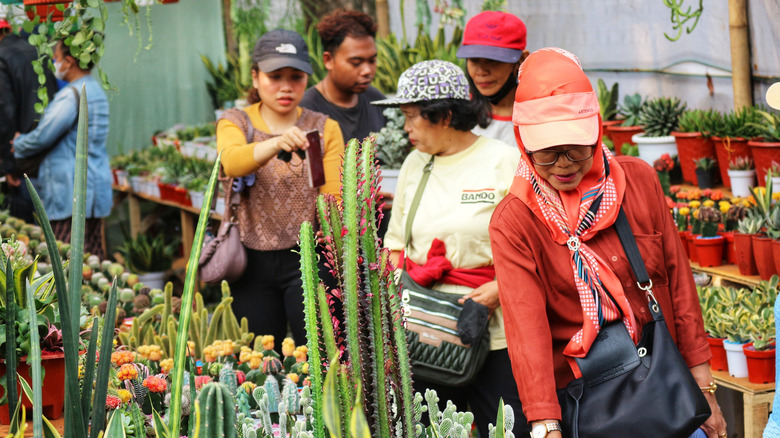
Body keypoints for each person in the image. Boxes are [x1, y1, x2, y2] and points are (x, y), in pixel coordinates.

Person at [488, 48, 728, 438]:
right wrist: (545, 426)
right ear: (522, 141)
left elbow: (679, 288)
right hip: (584, 399)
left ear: (596, 130)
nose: (563, 164)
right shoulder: (515, 220)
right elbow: (526, 332)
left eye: (576, 148)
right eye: (546, 153)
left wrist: (706, 390)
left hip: (665, 386)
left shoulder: (638, 182)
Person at [375, 60, 528, 438]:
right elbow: (395, 247)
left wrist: (498, 291)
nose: (405, 128)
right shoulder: (416, 163)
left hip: (494, 334)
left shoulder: (502, 161)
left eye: (412, 117)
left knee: (507, 429)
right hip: (426, 335)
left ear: (443, 115)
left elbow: (534, 247)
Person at [216, 29, 345, 348]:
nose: (286, 86)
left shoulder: (324, 128)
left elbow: (333, 201)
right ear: (256, 77)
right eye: (275, 76)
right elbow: (231, 161)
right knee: (260, 358)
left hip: (308, 260)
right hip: (249, 260)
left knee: (320, 355)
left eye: (296, 76)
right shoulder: (236, 122)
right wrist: (275, 144)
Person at [13, 39, 111, 258]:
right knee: (91, 256)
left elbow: (42, 137)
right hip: (95, 186)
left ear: (69, 61)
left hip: (71, 190)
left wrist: (17, 144)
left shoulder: (72, 95)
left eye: (56, 58)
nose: (54, 63)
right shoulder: (96, 91)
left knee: (65, 258)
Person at [299, 8, 386, 143]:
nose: (367, 70)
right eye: (356, 63)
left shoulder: (376, 100)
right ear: (328, 60)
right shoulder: (306, 110)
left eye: (372, 61)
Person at [0, 19, 57, 223]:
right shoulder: (34, 50)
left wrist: (8, 165)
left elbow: (4, 113)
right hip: (52, 154)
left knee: (35, 228)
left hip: (25, 158)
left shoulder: (2, 57)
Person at [456, 11, 529, 147]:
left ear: (522, 59)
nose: (482, 71)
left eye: (492, 60)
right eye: (474, 60)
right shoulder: (457, 113)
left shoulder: (537, 116)